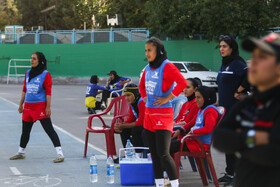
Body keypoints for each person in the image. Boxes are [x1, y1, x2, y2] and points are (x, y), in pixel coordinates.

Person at [213, 32, 280, 186]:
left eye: (262, 57)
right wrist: (252, 138)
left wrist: (239, 139)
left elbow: (271, 152)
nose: (254, 61)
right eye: (254, 55)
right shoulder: (250, 103)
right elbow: (219, 138)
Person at [139, 37, 187, 187]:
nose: (147, 53)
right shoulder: (147, 68)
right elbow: (141, 86)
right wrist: (145, 97)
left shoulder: (167, 66)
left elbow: (182, 83)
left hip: (163, 116)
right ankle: (159, 184)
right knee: (154, 155)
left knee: (164, 154)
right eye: (146, 50)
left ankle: (174, 184)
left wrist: (168, 98)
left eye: (150, 50)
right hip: (149, 116)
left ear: (158, 51)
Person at [9, 52, 64, 163]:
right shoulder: (28, 73)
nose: (31, 60)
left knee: (49, 130)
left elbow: (48, 92)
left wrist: (48, 107)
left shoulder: (45, 74)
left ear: (40, 61)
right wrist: (20, 104)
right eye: (31, 58)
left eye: (34, 59)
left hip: (40, 108)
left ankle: (60, 153)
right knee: (25, 132)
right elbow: (25, 90)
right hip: (28, 108)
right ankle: (21, 152)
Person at [216, 35, 248, 183]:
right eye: (220, 46)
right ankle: (230, 173)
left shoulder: (237, 63)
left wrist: (239, 91)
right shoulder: (225, 64)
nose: (221, 49)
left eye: (224, 46)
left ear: (232, 48)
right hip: (225, 111)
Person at [170, 86, 219, 153]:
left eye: (198, 97)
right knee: (166, 144)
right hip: (193, 141)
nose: (195, 100)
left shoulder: (211, 111)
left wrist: (193, 132)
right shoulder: (202, 109)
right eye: (195, 97)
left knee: (167, 147)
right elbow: (191, 123)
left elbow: (208, 128)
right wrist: (180, 130)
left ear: (207, 98)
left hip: (200, 144)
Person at [114, 83, 145, 162]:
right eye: (125, 95)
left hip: (149, 126)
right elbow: (131, 118)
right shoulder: (132, 102)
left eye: (128, 95)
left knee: (135, 129)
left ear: (135, 94)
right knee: (124, 130)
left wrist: (124, 125)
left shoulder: (141, 102)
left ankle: (138, 155)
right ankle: (128, 154)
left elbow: (141, 122)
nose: (126, 98)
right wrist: (121, 125)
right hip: (142, 124)